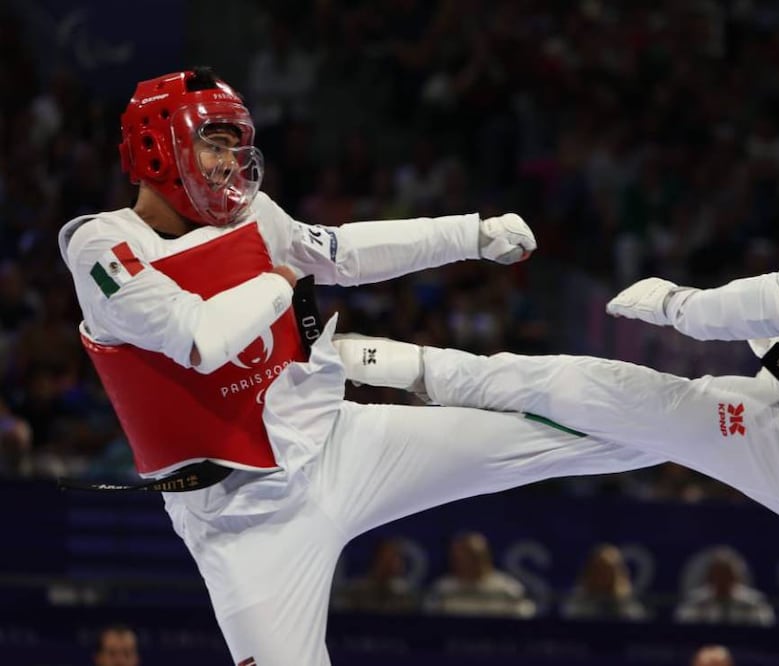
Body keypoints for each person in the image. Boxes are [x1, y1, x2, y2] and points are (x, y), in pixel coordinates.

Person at [343, 44, 779, 665]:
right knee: (635, 401)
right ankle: (418, 367)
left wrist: (677, 305)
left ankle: (419, 367)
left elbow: (778, 301)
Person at [59, 68, 663, 665]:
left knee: (551, 435)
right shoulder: (101, 248)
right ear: (157, 147)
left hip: (337, 444)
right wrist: (280, 282)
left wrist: (469, 234)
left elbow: (342, 253)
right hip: (242, 520)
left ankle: (707, 419)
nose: (228, 163)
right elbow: (198, 336)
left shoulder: (253, 216)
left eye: (236, 147)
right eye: (213, 144)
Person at [424, 531, 535, 618]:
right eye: (460, 557)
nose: (466, 561)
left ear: (485, 557)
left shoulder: (507, 588)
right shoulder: (442, 588)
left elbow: (525, 614)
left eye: (472, 556)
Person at [674, 546, 775, 627]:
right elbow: (682, 627)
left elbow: (766, 626)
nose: (723, 580)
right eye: (718, 575)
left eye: (727, 575)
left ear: (736, 578)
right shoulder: (695, 602)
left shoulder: (754, 603)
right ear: (710, 577)